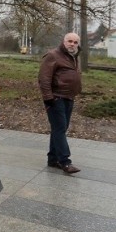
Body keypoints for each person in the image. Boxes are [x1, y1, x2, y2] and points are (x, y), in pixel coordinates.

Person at [38, 32, 82, 174]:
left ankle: (52, 159)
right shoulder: (53, 55)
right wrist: (48, 98)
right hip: (56, 98)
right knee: (60, 129)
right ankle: (65, 162)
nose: (72, 44)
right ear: (63, 41)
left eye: (75, 42)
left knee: (59, 129)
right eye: (70, 41)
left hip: (69, 97)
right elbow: (44, 78)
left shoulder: (74, 57)